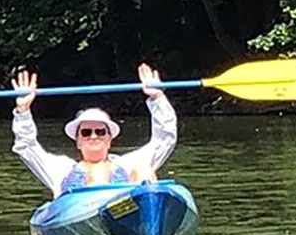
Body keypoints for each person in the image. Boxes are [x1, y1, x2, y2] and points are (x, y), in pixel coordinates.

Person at [11, 63, 177, 198]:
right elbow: (27, 146)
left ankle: (146, 227)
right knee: (97, 173)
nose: (93, 136)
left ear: (109, 138)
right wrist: (23, 110)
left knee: (144, 170)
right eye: (86, 132)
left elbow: (165, 138)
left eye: (100, 132)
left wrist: (157, 98)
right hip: (80, 215)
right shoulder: (61, 168)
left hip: (127, 215)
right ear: (77, 141)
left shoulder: (127, 164)